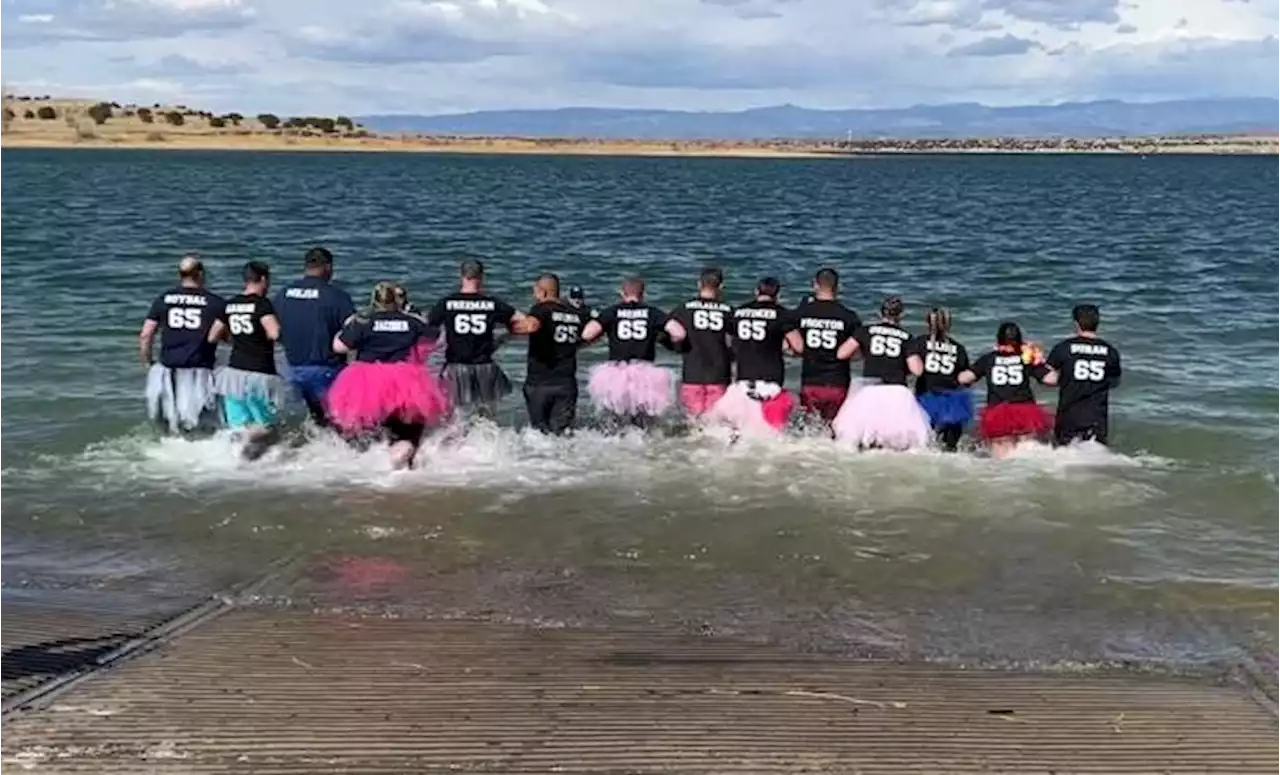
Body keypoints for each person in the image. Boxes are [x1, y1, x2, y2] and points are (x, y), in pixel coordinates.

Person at [327, 282, 451, 469]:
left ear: (374, 301)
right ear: (396, 300)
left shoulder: (363, 321)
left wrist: (346, 328)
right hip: (405, 380)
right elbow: (436, 339)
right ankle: (403, 456)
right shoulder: (411, 321)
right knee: (408, 428)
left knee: (368, 428)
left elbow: (339, 346)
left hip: (366, 380)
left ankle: (374, 461)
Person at [427, 259, 538, 418]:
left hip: (456, 366)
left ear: (462, 276)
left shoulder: (447, 303)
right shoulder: (491, 303)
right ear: (481, 277)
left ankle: (456, 442)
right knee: (487, 416)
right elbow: (525, 322)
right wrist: (506, 336)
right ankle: (486, 442)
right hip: (484, 366)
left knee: (456, 416)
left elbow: (429, 329)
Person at [207, 261, 285, 459]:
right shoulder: (262, 304)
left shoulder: (230, 304)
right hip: (259, 372)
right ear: (263, 280)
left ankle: (237, 461)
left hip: (234, 373)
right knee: (267, 426)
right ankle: (266, 463)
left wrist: (235, 338)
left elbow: (212, 336)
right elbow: (274, 333)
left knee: (239, 426)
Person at [832, 296, 932, 450]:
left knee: (863, 439)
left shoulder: (865, 331)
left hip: (870, 390)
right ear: (901, 316)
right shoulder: (907, 337)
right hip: (897, 392)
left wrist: (864, 354)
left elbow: (842, 353)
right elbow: (916, 370)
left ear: (880, 314)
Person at [140, 255, 225, 434]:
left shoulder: (164, 299)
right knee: (202, 423)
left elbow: (146, 334)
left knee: (169, 422)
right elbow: (224, 336)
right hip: (200, 369)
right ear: (200, 274)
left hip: (168, 369)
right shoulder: (215, 302)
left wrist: (147, 362)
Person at [273, 247, 356, 428]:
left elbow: (275, 331)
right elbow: (352, 334)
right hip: (327, 368)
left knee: (310, 421)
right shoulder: (338, 296)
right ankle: (344, 454)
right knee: (339, 421)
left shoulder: (284, 293)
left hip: (292, 368)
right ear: (328, 267)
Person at [706, 277, 796, 436]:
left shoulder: (739, 312)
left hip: (743, 380)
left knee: (733, 427)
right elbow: (799, 346)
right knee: (769, 431)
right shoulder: (782, 314)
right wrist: (784, 349)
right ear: (777, 295)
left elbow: (728, 339)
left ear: (756, 292)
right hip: (771, 382)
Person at [580, 276, 673, 429]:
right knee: (643, 418)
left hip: (617, 373)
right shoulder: (652, 312)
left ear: (622, 293)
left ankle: (618, 445)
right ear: (643, 294)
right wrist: (661, 337)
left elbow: (587, 334)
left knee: (616, 416)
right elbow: (678, 332)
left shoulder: (612, 311)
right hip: (645, 373)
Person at [958, 321, 1053, 458]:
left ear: (998, 340)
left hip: (998, 413)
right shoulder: (1027, 358)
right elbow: (1049, 379)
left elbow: (964, 378)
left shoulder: (989, 359)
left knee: (1002, 461)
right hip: (1025, 412)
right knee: (1028, 457)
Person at [784, 268, 862, 426]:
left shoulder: (800, 314)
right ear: (838, 287)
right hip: (837, 382)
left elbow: (788, 345)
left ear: (815, 285)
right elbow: (856, 353)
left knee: (810, 429)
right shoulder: (849, 316)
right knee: (834, 427)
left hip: (811, 382)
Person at [1042, 304, 1122, 446]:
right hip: (1097, 417)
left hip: (1069, 415)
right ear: (1097, 323)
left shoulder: (1064, 348)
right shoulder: (1110, 351)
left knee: (1065, 456)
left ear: (1076, 323)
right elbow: (1115, 382)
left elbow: (1048, 378)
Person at [524, 273, 590, 435]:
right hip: (566, 382)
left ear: (543, 292)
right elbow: (590, 334)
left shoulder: (540, 309)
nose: (534, 295)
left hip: (539, 382)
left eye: (535, 291)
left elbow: (531, 325)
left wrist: (508, 332)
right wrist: (576, 345)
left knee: (539, 433)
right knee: (562, 433)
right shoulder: (575, 314)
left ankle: (540, 461)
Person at [664, 267, 734, 418]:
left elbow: (663, 332)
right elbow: (739, 340)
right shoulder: (728, 311)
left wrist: (678, 347)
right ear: (721, 286)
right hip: (719, 372)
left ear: (698, 284)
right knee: (715, 421)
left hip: (692, 371)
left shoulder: (684, 309)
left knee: (694, 421)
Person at [906, 307, 972, 451]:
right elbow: (965, 379)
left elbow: (914, 370)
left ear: (927, 323)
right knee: (950, 446)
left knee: (925, 444)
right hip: (953, 402)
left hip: (926, 397)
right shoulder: (958, 348)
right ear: (949, 325)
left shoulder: (919, 342)